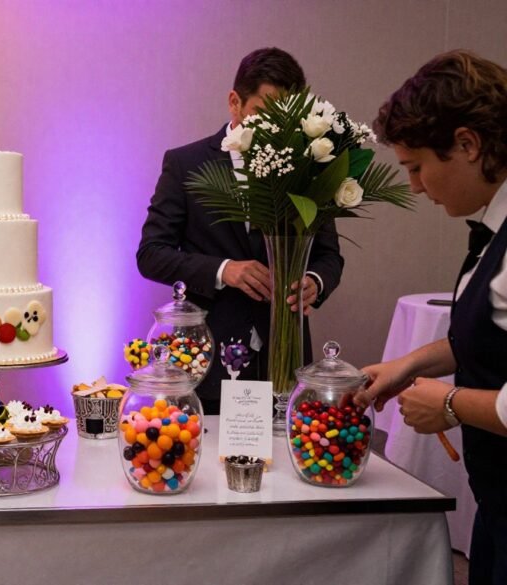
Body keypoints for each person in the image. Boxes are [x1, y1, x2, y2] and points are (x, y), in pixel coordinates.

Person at [357, 50, 507, 584]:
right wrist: (408, 364)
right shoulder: (492, 224)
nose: (416, 187)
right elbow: (489, 336)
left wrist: (448, 403)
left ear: (467, 144)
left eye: (417, 167)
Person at [137, 47, 344, 415]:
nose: (274, 131)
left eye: (286, 121)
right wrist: (223, 270)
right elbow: (151, 254)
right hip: (210, 362)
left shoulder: (308, 166)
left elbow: (329, 255)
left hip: (288, 365)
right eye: (263, 115)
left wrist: (315, 281)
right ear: (235, 103)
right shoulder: (186, 164)